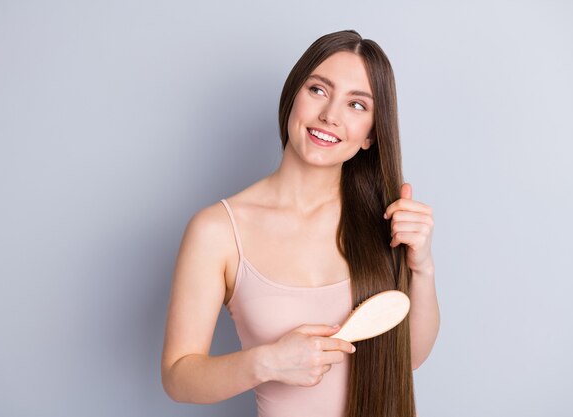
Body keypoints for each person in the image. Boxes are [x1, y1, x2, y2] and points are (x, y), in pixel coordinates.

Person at [161, 29, 440, 417]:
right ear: (293, 95)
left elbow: (408, 358)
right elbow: (178, 377)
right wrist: (267, 362)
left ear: (370, 136)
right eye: (318, 90)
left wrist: (421, 267)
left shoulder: (386, 220)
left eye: (357, 105)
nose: (330, 116)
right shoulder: (218, 231)